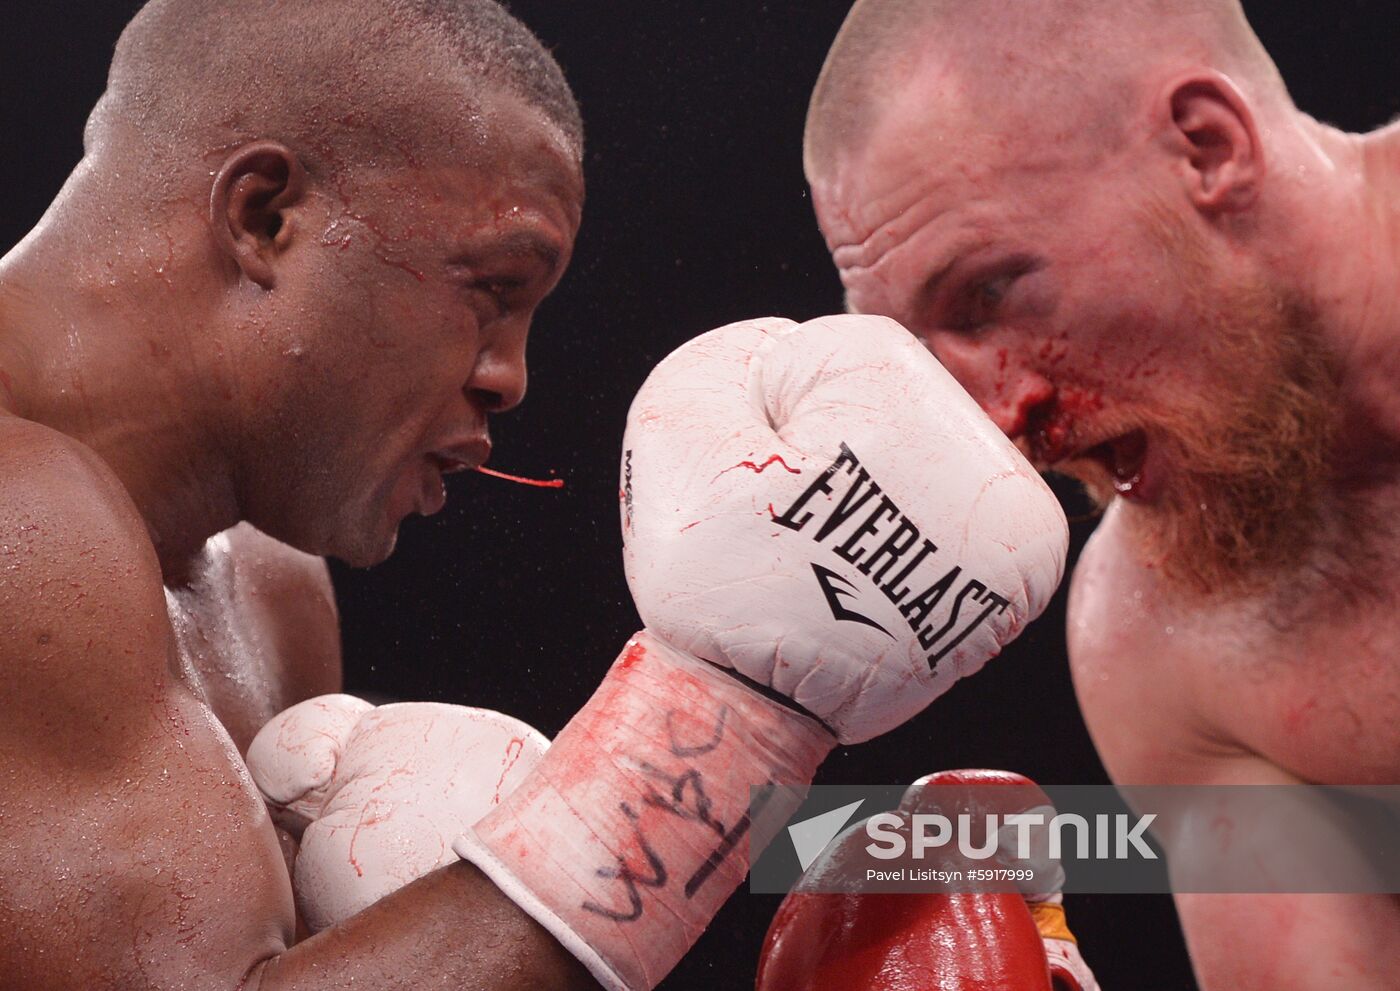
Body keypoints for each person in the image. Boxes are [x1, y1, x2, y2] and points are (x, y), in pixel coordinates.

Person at [0, 2, 1072, 987]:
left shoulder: (272, 586)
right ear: (267, 214)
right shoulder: (22, 516)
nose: (510, 378)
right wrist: (722, 720)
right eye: (493, 289)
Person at [803, 2, 1400, 988]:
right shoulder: (1154, 635)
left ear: (1207, 149)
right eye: (931, 359)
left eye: (988, 294)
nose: (994, 426)